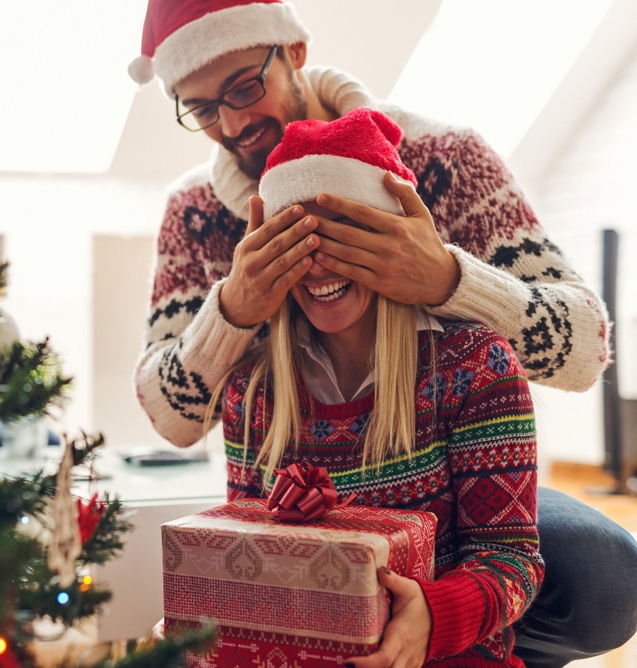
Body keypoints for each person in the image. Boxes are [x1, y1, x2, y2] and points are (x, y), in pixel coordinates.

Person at [127, 1, 637, 666]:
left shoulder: (446, 157)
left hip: (445, 469)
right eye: (199, 109)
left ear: (296, 53)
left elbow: (587, 345)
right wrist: (233, 309)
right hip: (300, 474)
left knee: (601, 573)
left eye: (245, 87)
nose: (230, 125)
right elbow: (171, 420)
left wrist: (450, 281)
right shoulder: (194, 214)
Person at [217, 106, 543, 666]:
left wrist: (433, 616)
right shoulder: (253, 391)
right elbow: (252, 557)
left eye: (344, 237)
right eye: (296, 241)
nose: (318, 267)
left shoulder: (476, 367)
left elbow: (512, 560)